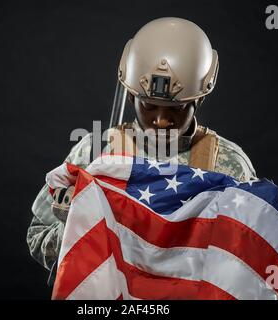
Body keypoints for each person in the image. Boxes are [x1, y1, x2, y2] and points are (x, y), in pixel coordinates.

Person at [27, 17, 256, 287]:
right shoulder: (96, 153)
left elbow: (250, 263)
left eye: (176, 109)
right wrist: (73, 223)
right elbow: (38, 240)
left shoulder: (226, 165)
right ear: (131, 95)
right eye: (148, 105)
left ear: (199, 98)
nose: (160, 120)